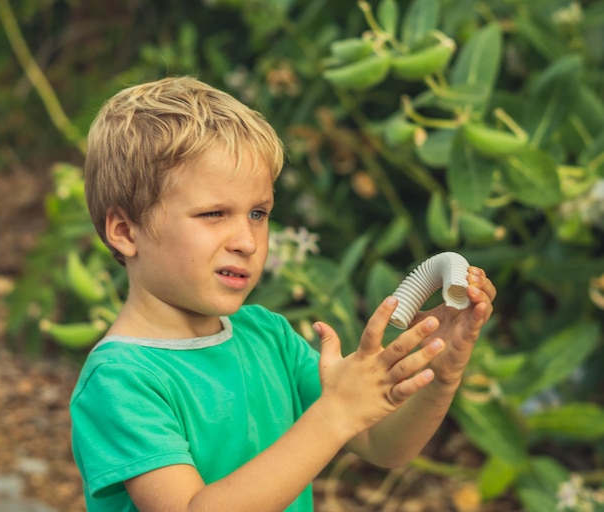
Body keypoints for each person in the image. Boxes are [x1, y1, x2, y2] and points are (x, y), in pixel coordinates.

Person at [70, 75, 496, 512]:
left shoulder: (267, 335)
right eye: (214, 213)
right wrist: (334, 414)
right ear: (125, 232)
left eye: (258, 213)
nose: (248, 241)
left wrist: (441, 373)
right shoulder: (121, 379)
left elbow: (381, 445)